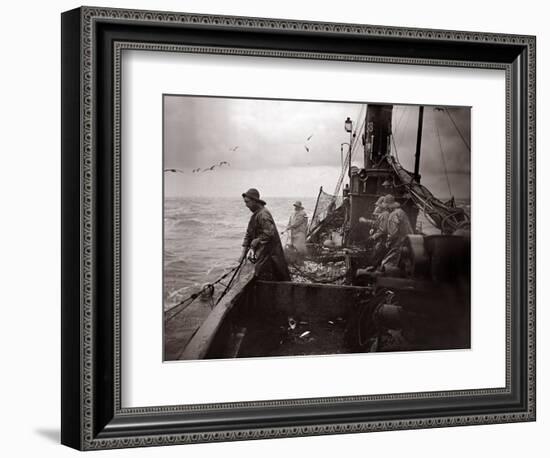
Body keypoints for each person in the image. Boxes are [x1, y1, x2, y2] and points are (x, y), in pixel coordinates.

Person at [239, 188, 291, 281]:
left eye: (247, 202)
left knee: (275, 275)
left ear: (255, 201)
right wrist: (243, 252)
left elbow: (269, 233)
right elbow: (248, 234)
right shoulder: (255, 215)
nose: (246, 205)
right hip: (263, 254)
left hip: (271, 255)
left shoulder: (263, 214)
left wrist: (257, 240)